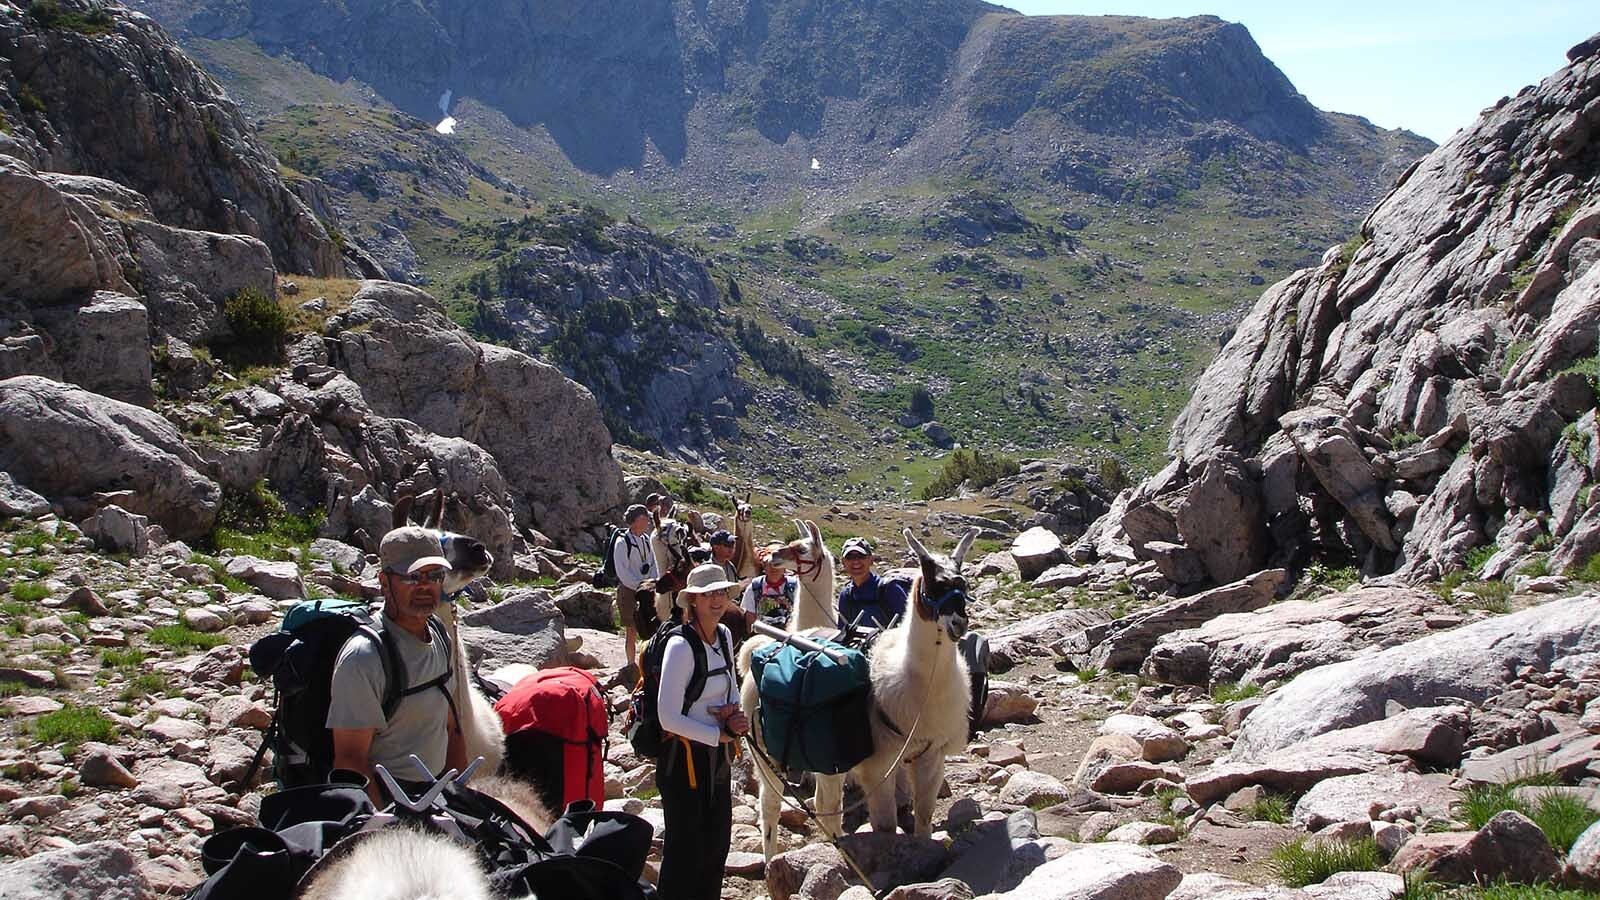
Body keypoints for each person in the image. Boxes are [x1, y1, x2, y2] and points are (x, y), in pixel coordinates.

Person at [328, 526, 465, 805]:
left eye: (435, 575)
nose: (425, 586)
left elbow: (451, 725)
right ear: (384, 581)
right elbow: (351, 760)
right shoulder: (364, 658)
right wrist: (386, 823)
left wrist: (462, 795)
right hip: (387, 800)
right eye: (412, 577)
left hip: (437, 793)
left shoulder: (439, 633)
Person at [656, 564, 748, 900]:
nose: (717, 600)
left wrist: (733, 715)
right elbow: (667, 716)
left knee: (716, 845)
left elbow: (731, 685)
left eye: (721, 592)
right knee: (685, 849)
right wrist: (717, 735)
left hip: (716, 759)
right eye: (708, 594)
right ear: (693, 600)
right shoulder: (680, 647)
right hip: (682, 761)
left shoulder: (723, 635)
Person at [614, 504, 660, 666]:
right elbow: (623, 572)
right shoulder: (622, 542)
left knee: (650, 627)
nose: (648, 522)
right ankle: (630, 664)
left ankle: (648, 662)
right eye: (646, 518)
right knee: (631, 630)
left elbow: (653, 563)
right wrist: (640, 585)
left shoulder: (646, 540)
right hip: (629, 591)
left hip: (647, 590)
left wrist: (651, 582)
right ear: (637, 520)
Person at [836, 536, 908, 629]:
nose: (856, 561)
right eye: (850, 557)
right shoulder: (845, 595)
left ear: (871, 560)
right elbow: (842, 631)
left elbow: (910, 627)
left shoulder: (889, 589)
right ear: (843, 562)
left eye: (861, 556)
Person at [740, 542, 799, 631]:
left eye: (777, 564)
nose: (774, 568)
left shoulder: (796, 587)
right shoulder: (754, 587)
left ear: (785, 566)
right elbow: (750, 621)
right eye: (769, 563)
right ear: (764, 565)